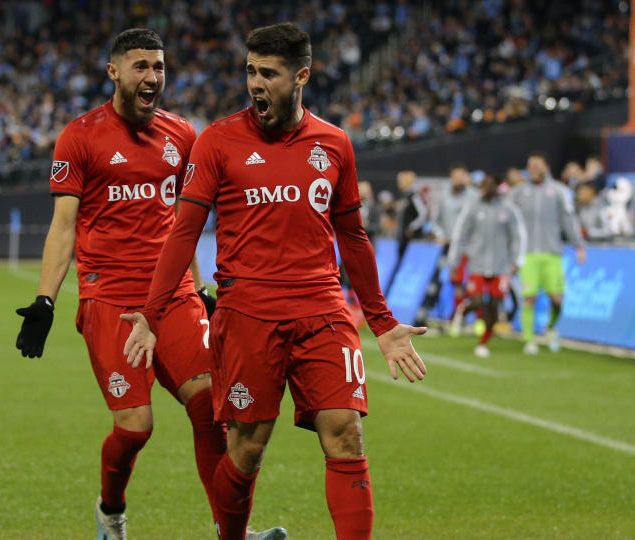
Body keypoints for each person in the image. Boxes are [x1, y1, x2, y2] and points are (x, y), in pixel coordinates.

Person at [120, 23, 427, 540]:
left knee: (346, 435)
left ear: (302, 75)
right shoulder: (218, 141)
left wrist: (382, 322)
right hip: (247, 318)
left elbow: (353, 237)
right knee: (246, 448)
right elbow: (183, 234)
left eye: (269, 73)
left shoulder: (334, 145)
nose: (255, 84)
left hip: (323, 312)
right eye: (250, 72)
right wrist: (151, 316)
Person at [11, 29, 283, 540]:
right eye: (140, 66)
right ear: (114, 71)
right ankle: (110, 512)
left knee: (210, 408)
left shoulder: (183, 134)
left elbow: (185, 223)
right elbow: (63, 226)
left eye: (158, 67)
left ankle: (232, 533)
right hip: (109, 297)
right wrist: (45, 300)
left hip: (173, 295)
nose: (152, 77)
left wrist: (200, 290)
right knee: (136, 428)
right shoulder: (80, 136)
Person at [508, 151, 585, 354]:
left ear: (546, 168)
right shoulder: (517, 193)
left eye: (538, 165)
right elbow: (508, 222)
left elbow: (568, 219)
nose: (534, 169)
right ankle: (529, 339)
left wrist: (578, 245)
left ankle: (551, 328)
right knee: (529, 297)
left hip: (552, 253)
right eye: (530, 165)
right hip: (528, 255)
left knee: (557, 299)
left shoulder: (559, 191)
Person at [448, 174, 526, 357]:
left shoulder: (508, 209)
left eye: (491, 185)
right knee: (478, 301)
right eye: (484, 185)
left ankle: (483, 342)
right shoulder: (472, 209)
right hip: (478, 264)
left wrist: (517, 260)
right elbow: (461, 235)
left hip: (501, 266)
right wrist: (455, 260)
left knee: (494, 306)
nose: (487, 189)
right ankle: (463, 310)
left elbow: (517, 235)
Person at [432, 162, 478, 328]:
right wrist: (441, 235)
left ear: (466, 176)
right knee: (456, 282)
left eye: (461, 175)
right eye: (455, 175)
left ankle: (475, 315)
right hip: (452, 247)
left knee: (475, 281)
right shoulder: (444, 197)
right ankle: (459, 316)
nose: (458, 178)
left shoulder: (475, 196)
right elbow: (436, 221)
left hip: (472, 247)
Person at [395, 169, 428, 257]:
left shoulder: (414, 195)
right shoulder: (404, 196)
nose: (399, 182)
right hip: (403, 239)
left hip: (413, 240)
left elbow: (423, 213)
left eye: (402, 179)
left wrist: (412, 227)